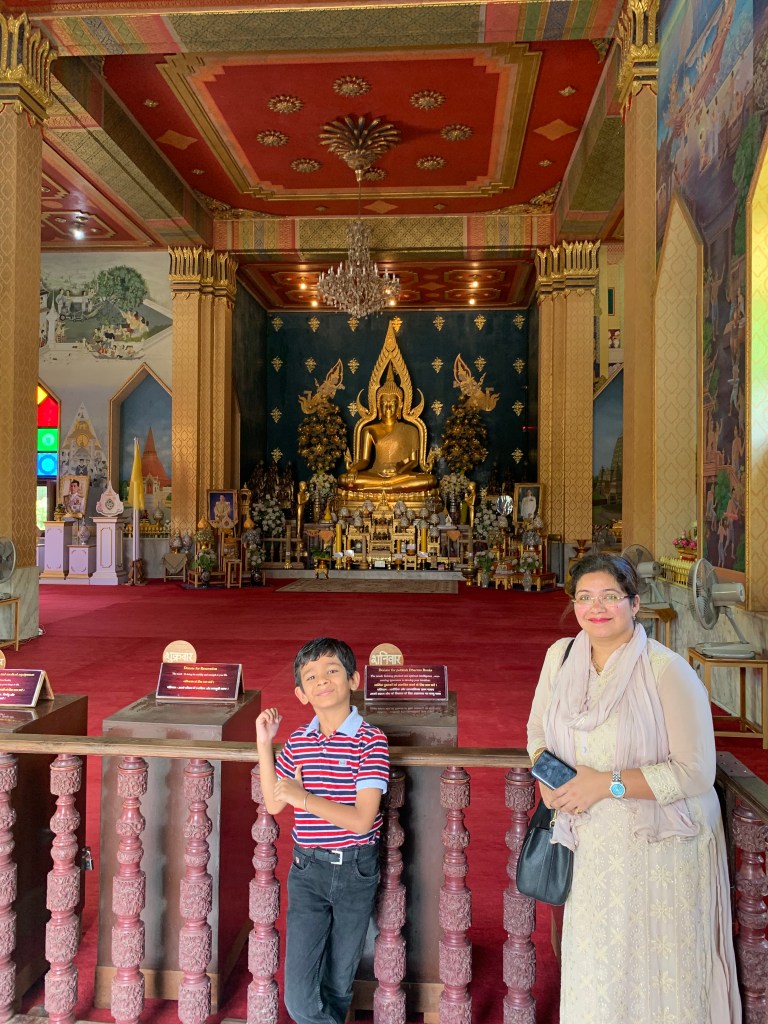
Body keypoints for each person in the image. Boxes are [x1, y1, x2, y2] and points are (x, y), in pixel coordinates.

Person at [526, 553, 740, 1024]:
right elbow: (537, 732)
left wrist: (607, 784)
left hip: (658, 848)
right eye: (585, 597)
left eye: (610, 597)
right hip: (589, 844)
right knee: (598, 969)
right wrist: (550, 782)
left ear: (634, 603)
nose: (596, 608)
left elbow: (695, 772)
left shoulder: (667, 670)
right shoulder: (560, 657)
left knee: (658, 974)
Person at [255, 638, 390, 1024]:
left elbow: (362, 820)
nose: (322, 680)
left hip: (355, 870)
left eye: (332, 671)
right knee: (299, 996)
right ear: (301, 693)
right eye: (311, 676)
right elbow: (275, 803)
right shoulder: (299, 741)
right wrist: (265, 743)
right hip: (308, 870)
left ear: (354, 680)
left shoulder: (371, 741)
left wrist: (304, 798)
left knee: (337, 983)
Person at [340, 367, 436, 493]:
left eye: (393, 403)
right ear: (378, 405)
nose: (388, 407)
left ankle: (384, 487)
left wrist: (398, 471)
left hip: (400, 476)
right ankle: (388, 487)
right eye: (384, 402)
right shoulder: (369, 429)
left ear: (400, 405)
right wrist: (354, 469)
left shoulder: (410, 430)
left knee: (429, 480)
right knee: (344, 479)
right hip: (376, 475)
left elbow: (414, 462)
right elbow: (365, 460)